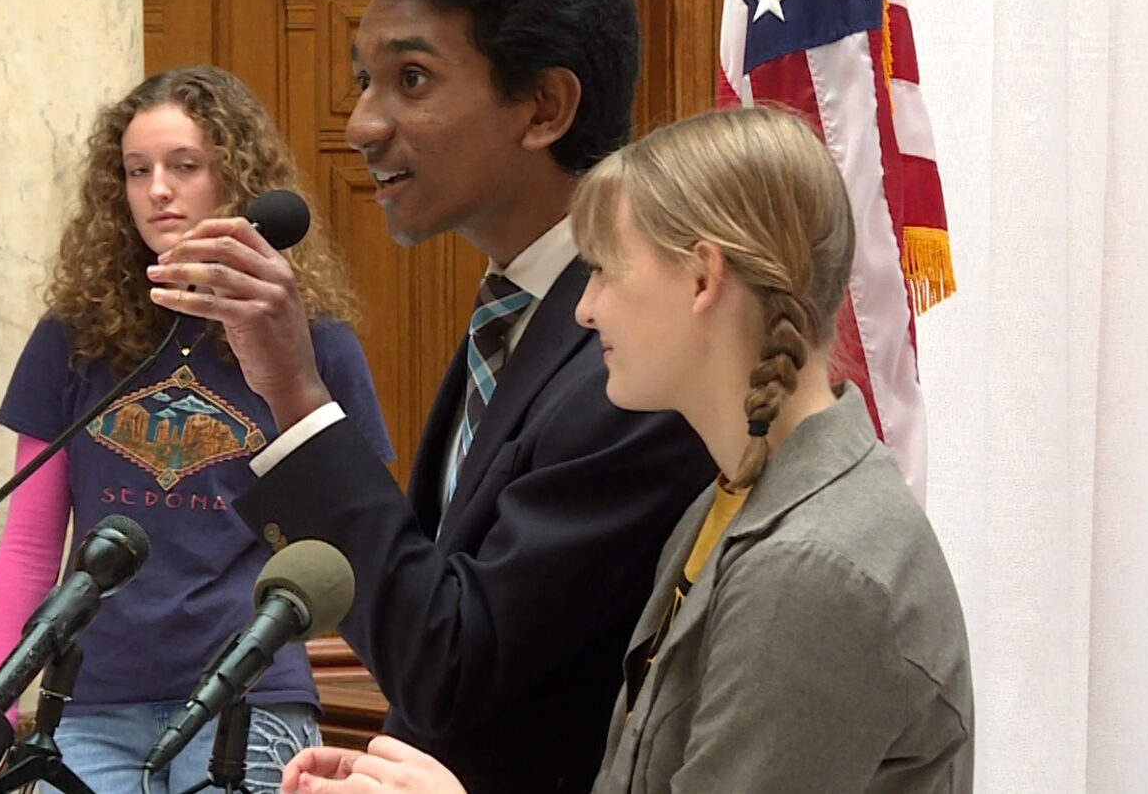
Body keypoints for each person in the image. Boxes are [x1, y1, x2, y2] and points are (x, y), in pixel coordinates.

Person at [143, 0, 713, 793]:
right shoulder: (518, 307)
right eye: (363, 79)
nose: (362, 125)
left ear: (545, 107)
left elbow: (452, 661)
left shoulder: (634, 357)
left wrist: (295, 390)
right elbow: (439, 610)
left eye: (410, 80)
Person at [277, 107, 975, 794]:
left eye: (605, 269)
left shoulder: (812, 567)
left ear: (703, 279)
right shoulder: (734, 501)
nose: (585, 309)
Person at [0, 65, 394, 794]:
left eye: (184, 166)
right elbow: (30, 539)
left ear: (234, 180)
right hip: (89, 698)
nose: (158, 189)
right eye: (138, 171)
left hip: (251, 696)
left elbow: (364, 534)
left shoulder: (312, 342)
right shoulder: (73, 336)